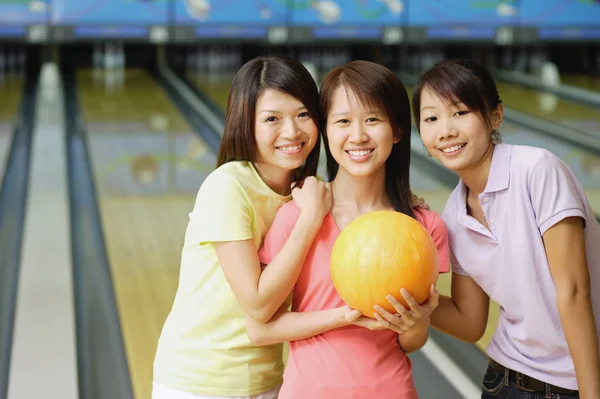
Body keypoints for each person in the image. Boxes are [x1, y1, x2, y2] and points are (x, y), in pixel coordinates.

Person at [246, 60, 449, 399]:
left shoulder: (424, 227)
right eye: (342, 121)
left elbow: (412, 342)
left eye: (373, 120)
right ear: (326, 131)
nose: (358, 136)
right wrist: (347, 316)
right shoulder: (296, 217)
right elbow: (262, 328)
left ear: (396, 131)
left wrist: (415, 323)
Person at [412, 58, 600, 399]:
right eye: (431, 118)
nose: (446, 130)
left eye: (461, 112)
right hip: (504, 382)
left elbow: (574, 293)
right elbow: (470, 323)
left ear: (495, 115)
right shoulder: (454, 217)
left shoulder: (537, 170)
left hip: (579, 384)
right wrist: (409, 299)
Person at [152, 55, 333, 399]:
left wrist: (402, 204)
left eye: (303, 115)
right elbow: (259, 305)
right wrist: (309, 220)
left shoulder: (311, 192)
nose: (292, 132)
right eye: (272, 119)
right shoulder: (228, 187)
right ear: (245, 123)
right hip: (198, 383)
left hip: (267, 382)